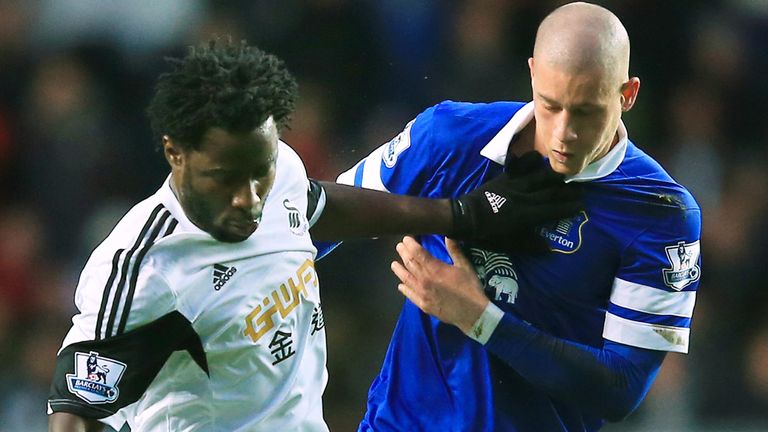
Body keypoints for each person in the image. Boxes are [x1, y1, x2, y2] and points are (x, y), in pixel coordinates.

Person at [46, 40, 579, 432]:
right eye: (225, 178)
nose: (249, 198)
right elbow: (75, 415)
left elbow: (321, 206)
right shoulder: (146, 269)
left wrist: (460, 215)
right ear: (174, 152)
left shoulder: (278, 172)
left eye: (260, 173)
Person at [335, 2, 702, 431]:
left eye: (586, 111)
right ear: (532, 73)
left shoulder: (661, 212)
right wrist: (455, 215)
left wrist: (482, 319)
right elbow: (322, 214)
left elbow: (622, 387)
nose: (564, 133)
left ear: (628, 95)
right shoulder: (450, 136)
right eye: (550, 106)